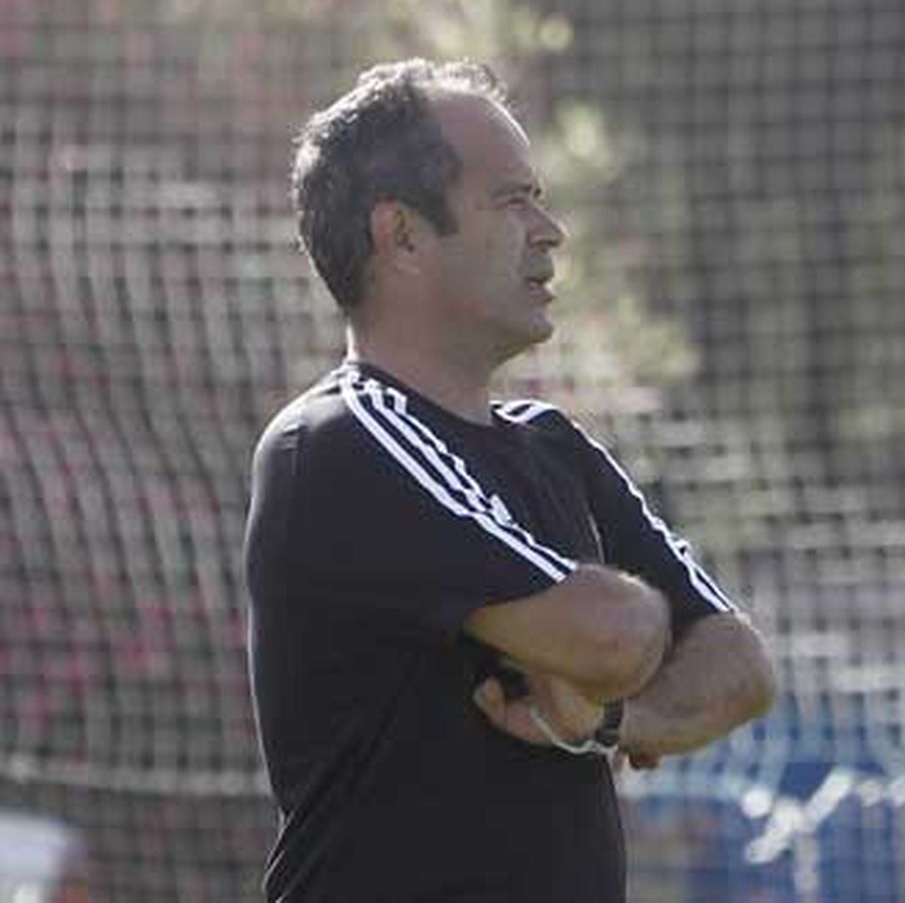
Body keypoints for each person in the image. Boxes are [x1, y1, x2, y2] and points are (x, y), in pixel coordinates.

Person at [244, 59, 777, 902]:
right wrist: (623, 631)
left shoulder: (553, 445)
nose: (549, 230)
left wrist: (606, 719)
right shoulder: (340, 442)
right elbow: (617, 634)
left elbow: (741, 665)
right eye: (512, 200)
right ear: (404, 235)